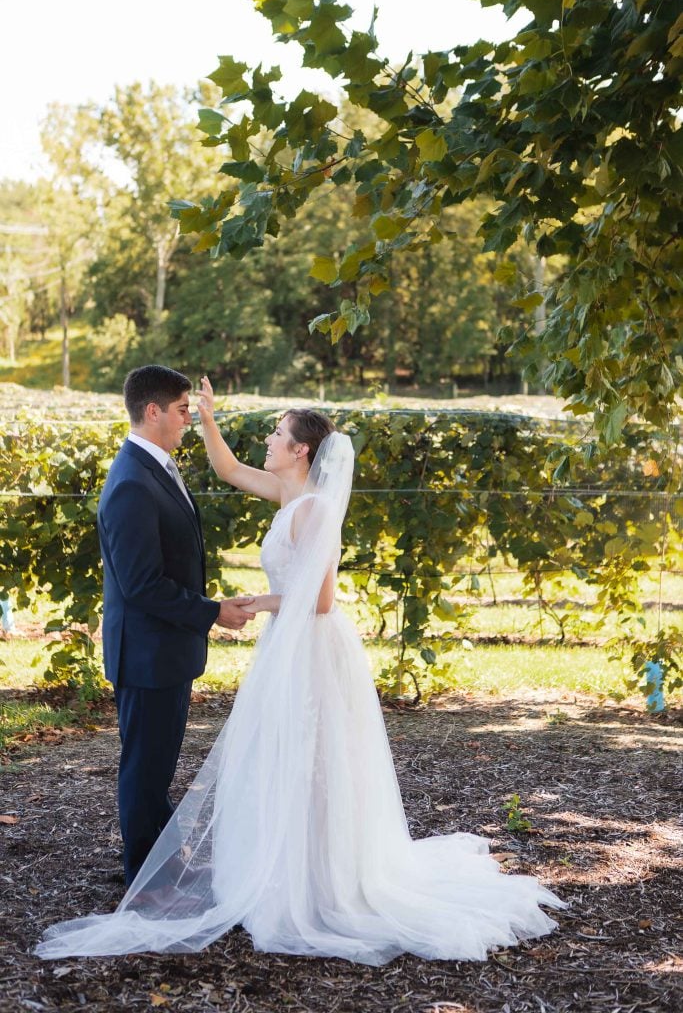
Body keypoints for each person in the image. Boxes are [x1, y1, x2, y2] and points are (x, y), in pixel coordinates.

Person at [36, 378, 564, 964]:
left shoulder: (312, 509)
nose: (268, 437)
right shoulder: (286, 493)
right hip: (279, 647)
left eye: (277, 432)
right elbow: (231, 468)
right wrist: (208, 419)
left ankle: (313, 874)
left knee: (312, 755)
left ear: (300, 450)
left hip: (308, 644)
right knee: (280, 755)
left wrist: (254, 604)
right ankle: (265, 863)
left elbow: (320, 600)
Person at [91, 365, 254, 888]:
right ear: (153, 410)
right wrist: (212, 612)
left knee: (156, 762)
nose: (190, 418)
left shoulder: (154, 466)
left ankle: (160, 861)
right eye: (184, 410)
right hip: (147, 652)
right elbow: (141, 585)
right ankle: (145, 873)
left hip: (162, 649)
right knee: (145, 765)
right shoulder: (132, 483)